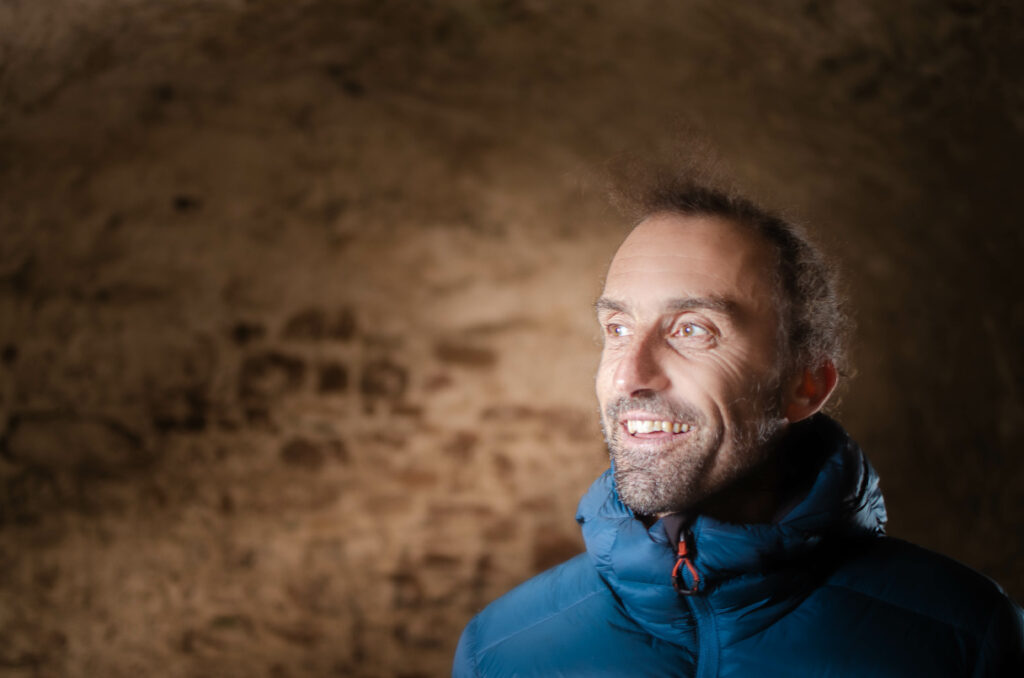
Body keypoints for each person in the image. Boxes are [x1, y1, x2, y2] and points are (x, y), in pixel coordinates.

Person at [452, 178, 1024, 676]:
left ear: (805, 386)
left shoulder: (968, 638)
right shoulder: (501, 651)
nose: (628, 377)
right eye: (619, 329)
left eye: (692, 330)